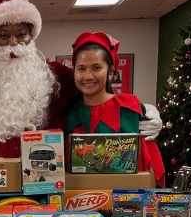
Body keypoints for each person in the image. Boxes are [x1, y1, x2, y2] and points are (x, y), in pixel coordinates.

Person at [0, 0, 162, 163]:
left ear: (31, 36)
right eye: (4, 35)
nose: (13, 42)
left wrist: (144, 111)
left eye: (21, 34)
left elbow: (96, 94)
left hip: (44, 183)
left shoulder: (57, 76)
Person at [65, 31, 165, 185]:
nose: (88, 76)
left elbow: (150, 164)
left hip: (124, 201)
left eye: (96, 68)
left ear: (111, 72)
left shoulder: (128, 108)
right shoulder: (69, 112)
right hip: (78, 201)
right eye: (81, 69)